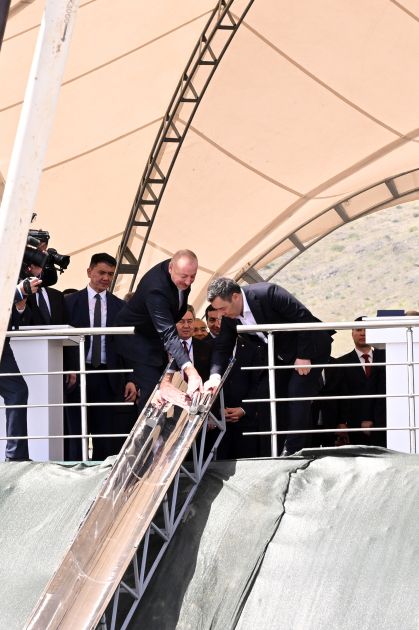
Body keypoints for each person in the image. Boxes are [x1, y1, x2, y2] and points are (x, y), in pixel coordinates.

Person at [204, 277, 333, 455]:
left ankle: (294, 450)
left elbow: (304, 317)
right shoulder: (229, 316)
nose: (220, 314)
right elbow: (222, 347)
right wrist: (215, 376)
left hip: (311, 347)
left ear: (235, 297)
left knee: (297, 392)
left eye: (222, 308)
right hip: (280, 355)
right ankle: (273, 449)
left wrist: (304, 356)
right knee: (267, 392)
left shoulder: (268, 293)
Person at [64, 253, 137, 460]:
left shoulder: (120, 306)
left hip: (108, 376)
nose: (106, 278)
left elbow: (127, 345)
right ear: (89, 271)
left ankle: (100, 478)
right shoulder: (69, 303)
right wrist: (68, 369)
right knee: (76, 433)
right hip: (77, 375)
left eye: (110, 274)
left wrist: (131, 378)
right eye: (101, 272)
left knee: (105, 435)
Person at [114, 250, 203, 412]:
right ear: (171, 268)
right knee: (152, 393)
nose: (188, 282)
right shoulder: (156, 290)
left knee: (166, 384)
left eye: (193, 276)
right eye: (184, 276)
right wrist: (191, 372)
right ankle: (149, 435)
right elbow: (168, 333)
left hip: (156, 338)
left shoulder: (181, 272)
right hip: (136, 340)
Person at [1, 277, 42, 460]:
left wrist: (20, 303)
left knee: (17, 391)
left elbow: (15, 320)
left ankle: (16, 456)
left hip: (3, 346)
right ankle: (15, 455)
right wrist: (17, 292)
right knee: (17, 391)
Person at [335, 317, 386, 447]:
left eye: (366, 330)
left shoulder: (387, 358)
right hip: (353, 425)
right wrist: (341, 423)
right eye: (358, 330)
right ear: (352, 333)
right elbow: (340, 395)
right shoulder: (341, 363)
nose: (363, 333)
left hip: (384, 424)